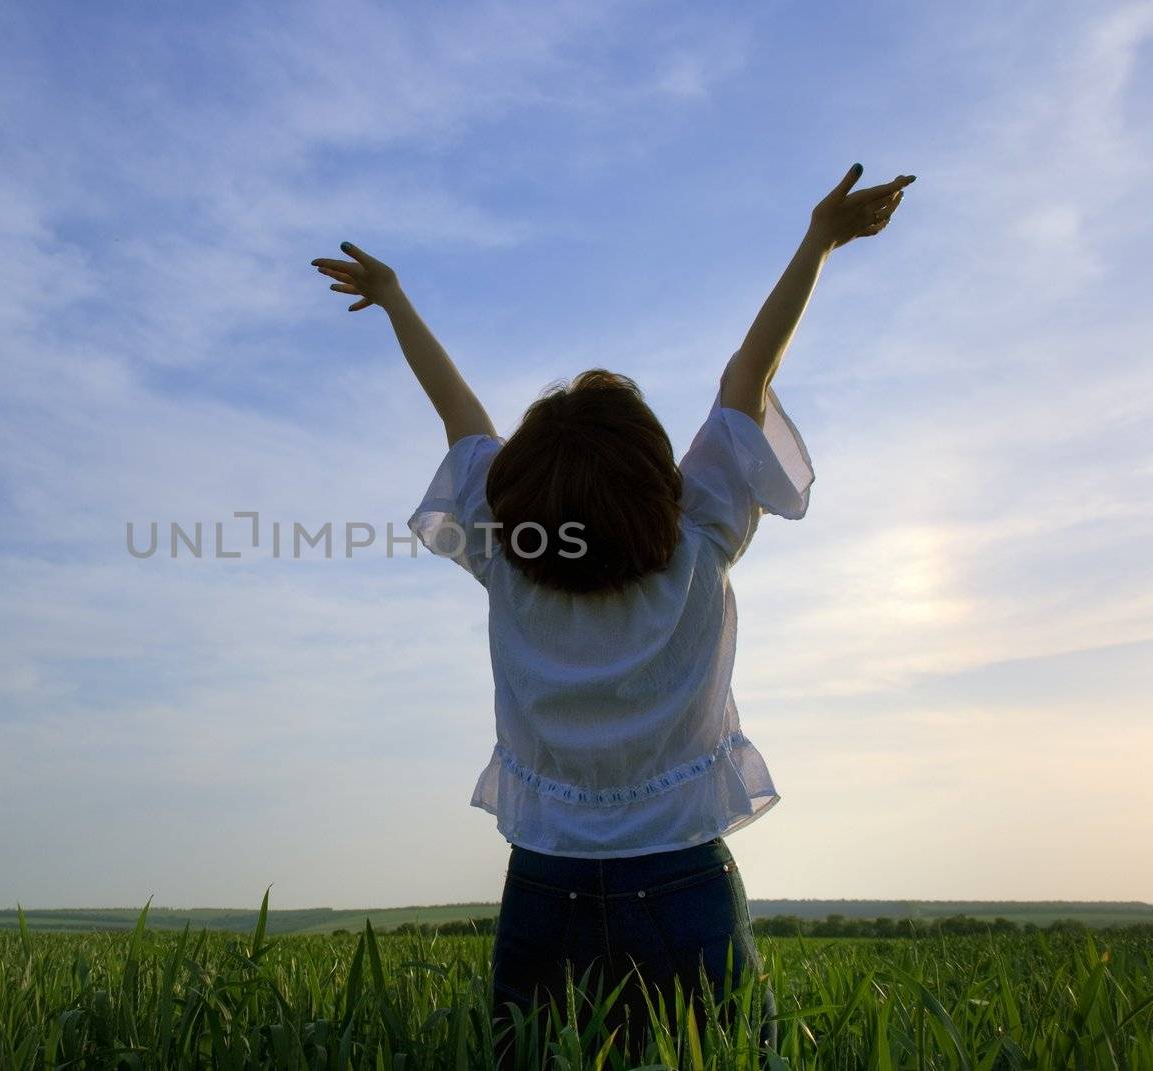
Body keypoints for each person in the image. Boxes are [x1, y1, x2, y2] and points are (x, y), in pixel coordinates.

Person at [311, 162, 915, 1067]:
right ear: (655, 474)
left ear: (519, 491)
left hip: (544, 882)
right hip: (683, 875)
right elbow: (748, 375)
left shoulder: (509, 553)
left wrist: (396, 300)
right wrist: (820, 239)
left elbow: (459, 416)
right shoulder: (701, 530)